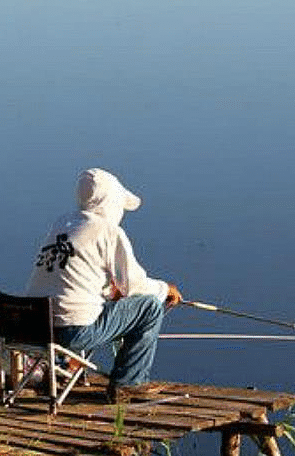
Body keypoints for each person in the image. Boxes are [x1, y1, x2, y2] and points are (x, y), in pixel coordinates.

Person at [26, 168, 182, 402]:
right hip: (72, 331)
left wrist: (110, 290)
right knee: (149, 306)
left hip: (32, 328)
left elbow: (73, 278)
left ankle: (63, 368)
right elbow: (134, 286)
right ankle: (128, 383)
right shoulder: (108, 231)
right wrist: (165, 290)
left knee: (113, 302)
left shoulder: (63, 224)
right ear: (111, 203)